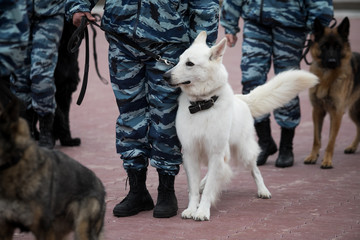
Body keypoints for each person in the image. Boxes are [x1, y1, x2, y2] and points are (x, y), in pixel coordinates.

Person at [65, 0, 220, 218]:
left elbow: (205, 5)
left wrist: (202, 49)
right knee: (130, 117)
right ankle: (137, 190)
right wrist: (78, 7)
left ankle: (166, 190)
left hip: (169, 45)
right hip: (123, 42)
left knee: (165, 118)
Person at [220, 0, 333, 168]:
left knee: (287, 82)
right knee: (251, 79)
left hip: (291, 23)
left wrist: (318, 25)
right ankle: (265, 142)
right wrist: (230, 23)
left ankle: (286, 147)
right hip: (255, 21)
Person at [10, 0, 65, 149]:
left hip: (50, 13)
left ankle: (46, 128)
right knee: (19, 79)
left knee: (41, 74)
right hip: (16, 14)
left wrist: (78, 7)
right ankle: (26, 128)